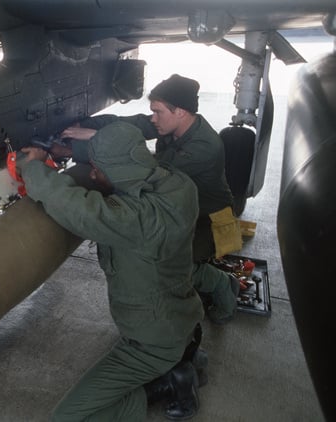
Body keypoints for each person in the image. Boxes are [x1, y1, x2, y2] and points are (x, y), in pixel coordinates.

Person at [18, 121, 205, 421]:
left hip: (151, 343)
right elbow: (122, 151)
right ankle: (182, 361)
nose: (92, 174)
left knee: (67, 417)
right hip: (182, 319)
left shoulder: (138, 219)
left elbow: (79, 209)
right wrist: (67, 150)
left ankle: (163, 385)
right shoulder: (178, 184)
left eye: (97, 169)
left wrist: (35, 169)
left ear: (120, 170)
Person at [55, 74, 241, 325]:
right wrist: (87, 125)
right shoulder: (170, 123)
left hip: (209, 220)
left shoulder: (205, 146)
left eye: (157, 112)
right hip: (180, 208)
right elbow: (127, 124)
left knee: (168, 262)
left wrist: (77, 148)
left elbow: (145, 171)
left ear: (181, 112)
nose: (153, 118)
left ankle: (223, 285)